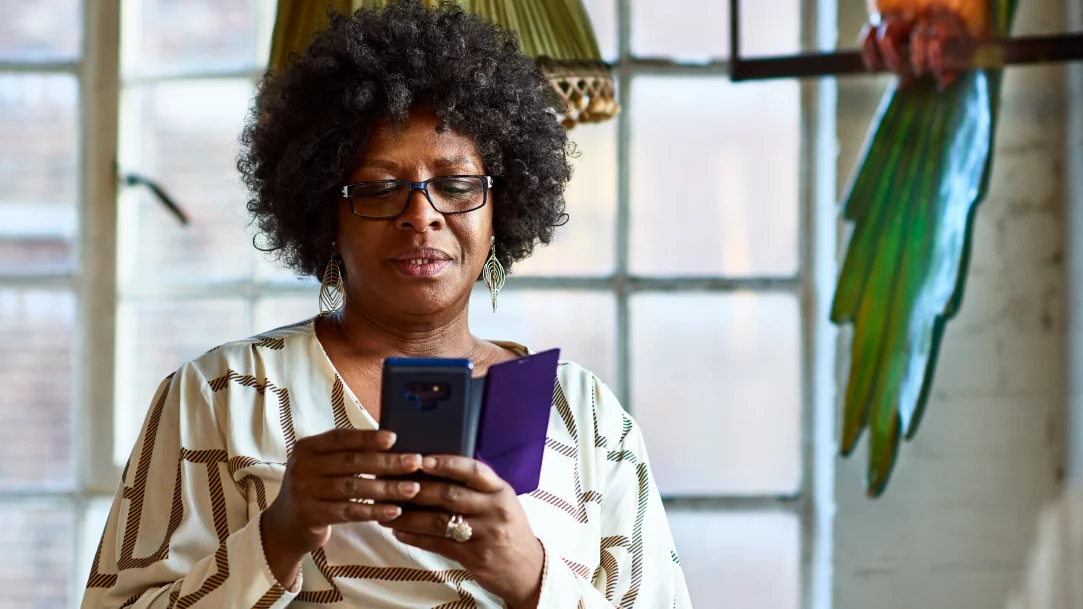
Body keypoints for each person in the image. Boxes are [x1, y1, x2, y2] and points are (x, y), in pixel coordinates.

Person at [82, 2, 691, 607]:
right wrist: (277, 536)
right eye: (378, 189)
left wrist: (528, 574)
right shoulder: (222, 394)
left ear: (500, 207)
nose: (421, 214)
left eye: (455, 185)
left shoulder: (584, 415)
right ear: (325, 216)